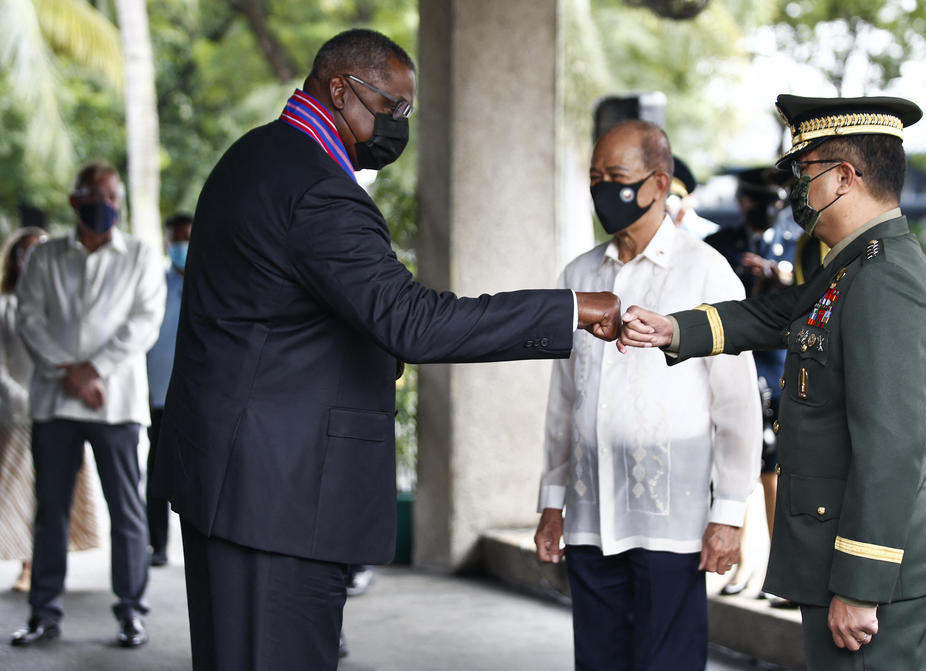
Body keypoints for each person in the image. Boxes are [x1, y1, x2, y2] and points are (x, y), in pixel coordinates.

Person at [150, 29, 620, 671]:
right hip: (275, 495)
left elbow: (280, 313)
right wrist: (569, 308)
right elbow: (412, 322)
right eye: (391, 108)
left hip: (235, 478)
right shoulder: (318, 190)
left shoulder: (254, 155)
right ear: (339, 88)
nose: (400, 126)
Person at [618, 94, 926, 670]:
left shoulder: (884, 279)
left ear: (843, 178)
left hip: (875, 567)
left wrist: (860, 583)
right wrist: (672, 329)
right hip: (841, 551)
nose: (793, 192)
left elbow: (892, 447)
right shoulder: (855, 261)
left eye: (803, 173)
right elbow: (781, 313)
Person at [534, 120, 760, 670]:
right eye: (595, 177)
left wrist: (728, 514)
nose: (602, 189)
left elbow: (736, 406)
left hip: (671, 523)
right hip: (590, 516)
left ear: (659, 184)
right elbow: (564, 401)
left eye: (617, 176)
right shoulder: (580, 273)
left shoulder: (707, 273)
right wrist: (551, 503)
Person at [10, 161, 166, 648]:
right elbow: (28, 320)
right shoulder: (46, 256)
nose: (107, 206)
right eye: (98, 196)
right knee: (50, 511)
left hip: (114, 402)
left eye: (114, 197)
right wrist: (69, 373)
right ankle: (43, 613)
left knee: (126, 510)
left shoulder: (139, 255)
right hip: (55, 403)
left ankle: (131, 612)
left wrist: (92, 370)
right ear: (76, 201)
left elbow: (144, 323)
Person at [705, 167, 800, 603]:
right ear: (743, 200)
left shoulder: (798, 246)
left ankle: (782, 569)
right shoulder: (719, 247)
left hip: (781, 368)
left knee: (776, 470)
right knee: (736, 459)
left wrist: (782, 276)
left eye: (777, 199)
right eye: (760, 199)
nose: (770, 208)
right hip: (734, 364)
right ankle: (740, 559)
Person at [0, 228, 100, 592]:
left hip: (60, 410)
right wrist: (22, 402)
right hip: (18, 416)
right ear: (14, 259)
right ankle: (31, 567)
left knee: (54, 495)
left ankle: (46, 568)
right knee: (22, 493)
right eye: (26, 252)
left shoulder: (61, 305)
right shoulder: (5, 305)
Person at [145, 212, 192, 567]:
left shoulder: (211, 282)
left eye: (187, 239)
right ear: (166, 242)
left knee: (197, 473)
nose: (182, 247)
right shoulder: (153, 286)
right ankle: (158, 546)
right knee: (158, 473)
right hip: (157, 396)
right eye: (176, 240)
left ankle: (199, 544)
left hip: (197, 398)